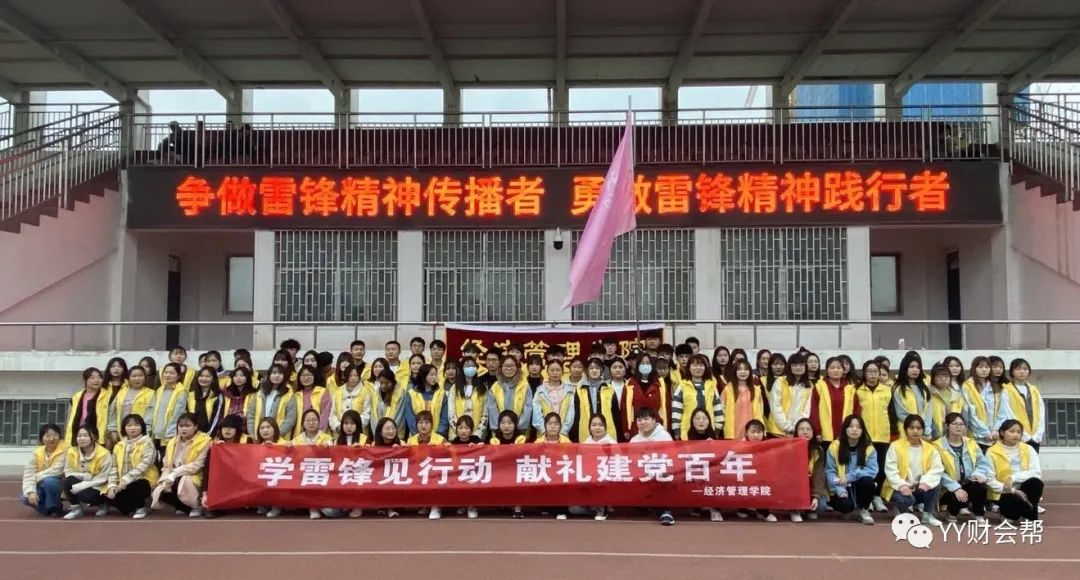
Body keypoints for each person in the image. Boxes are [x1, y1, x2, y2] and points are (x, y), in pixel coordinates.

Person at [884, 414, 944, 527]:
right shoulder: (895, 446)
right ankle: (901, 510)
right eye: (912, 428)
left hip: (919, 487)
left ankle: (928, 515)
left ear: (923, 430)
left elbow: (936, 469)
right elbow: (890, 470)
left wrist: (924, 483)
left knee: (935, 485)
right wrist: (902, 486)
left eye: (919, 428)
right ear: (906, 429)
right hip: (899, 488)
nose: (915, 431)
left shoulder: (930, 449)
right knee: (905, 500)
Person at [933, 412, 991, 523]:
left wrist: (978, 474)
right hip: (947, 487)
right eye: (955, 424)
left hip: (968, 482)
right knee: (956, 495)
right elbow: (938, 471)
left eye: (961, 424)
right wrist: (955, 487)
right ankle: (952, 512)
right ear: (947, 426)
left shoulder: (971, 443)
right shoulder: (937, 446)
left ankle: (978, 513)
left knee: (980, 486)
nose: (958, 427)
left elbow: (982, 463)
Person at [152, 413, 211, 518]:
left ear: (196, 427)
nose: (184, 429)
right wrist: (165, 478)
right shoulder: (172, 442)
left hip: (195, 475)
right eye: (181, 426)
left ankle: (196, 506)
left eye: (188, 426)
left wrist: (176, 473)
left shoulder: (205, 441)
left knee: (185, 480)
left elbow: (198, 464)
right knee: (161, 488)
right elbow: (166, 464)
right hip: (174, 475)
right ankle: (182, 507)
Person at [986, 419, 1044, 524]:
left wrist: (1013, 478)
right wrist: (1012, 490)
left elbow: (1036, 472)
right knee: (1012, 514)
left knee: (1036, 483)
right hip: (1005, 492)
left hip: (1024, 490)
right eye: (1012, 431)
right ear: (1002, 432)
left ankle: (1030, 516)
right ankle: (1012, 513)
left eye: (1019, 432)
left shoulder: (1028, 449)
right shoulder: (992, 451)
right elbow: (989, 479)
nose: (1016, 435)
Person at [854, 359, 893, 512]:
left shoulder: (887, 390)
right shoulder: (857, 390)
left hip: (883, 434)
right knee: (863, 467)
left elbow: (891, 413)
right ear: (864, 373)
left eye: (875, 371)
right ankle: (866, 498)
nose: (872, 374)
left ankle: (877, 496)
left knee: (881, 469)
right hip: (864, 435)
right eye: (869, 371)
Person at [824, 414, 878, 525]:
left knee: (868, 482)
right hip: (840, 485)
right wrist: (838, 489)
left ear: (862, 430)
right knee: (846, 506)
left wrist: (850, 476)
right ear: (845, 429)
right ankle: (849, 509)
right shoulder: (834, 447)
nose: (854, 429)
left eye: (858, 427)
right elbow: (829, 471)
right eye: (851, 426)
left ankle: (864, 510)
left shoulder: (869, 448)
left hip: (858, 484)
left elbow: (872, 470)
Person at [629, 407, 675, 526]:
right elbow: (631, 462)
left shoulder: (664, 436)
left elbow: (672, 459)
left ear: (654, 420)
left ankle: (666, 511)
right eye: (639, 420)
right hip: (642, 475)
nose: (642, 422)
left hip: (661, 474)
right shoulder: (634, 440)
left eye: (646, 419)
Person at [107, 414, 158, 519]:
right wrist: (112, 485)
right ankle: (132, 505)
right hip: (123, 483)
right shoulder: (119, 446)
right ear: (124, 428)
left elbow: (144, 466)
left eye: (136, 425)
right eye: (129, 425)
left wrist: (126, 480)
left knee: (137, 485)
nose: (132, 428)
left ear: (142, 427)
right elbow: (114, 467)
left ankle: (141, 507)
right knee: (112, 497)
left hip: (144, 480)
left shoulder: (148, 443)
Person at [811, 357, 860, 454]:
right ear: (827, 370)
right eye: (832, 368)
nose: (836, 370)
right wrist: (817, 431)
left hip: (846, 433)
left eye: (839, 368)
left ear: (843, 370)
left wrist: (854, 429)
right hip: (824, 434)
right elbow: (814, 410)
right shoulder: (819, 386)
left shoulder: (850, 388)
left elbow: (856, 410)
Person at [62, 425, 113, 519]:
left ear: (94, 437)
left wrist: (84, 484)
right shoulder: (72, 452)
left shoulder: (104, 454)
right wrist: (84, 476)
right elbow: (68, 471)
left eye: (85, 435)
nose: (82, 438)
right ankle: (76, 509)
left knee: (86, 495)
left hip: (98, 485)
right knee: (67, 481)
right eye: (79, 436)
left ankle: (103, 504)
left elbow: (104, 477)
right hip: (81, 481)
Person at [291, 409, 333, 519]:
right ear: (303, 423)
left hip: (322, 471)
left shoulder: (326, 438)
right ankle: (312, 507)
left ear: (319, 422)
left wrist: (325, 447)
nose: (311, 423)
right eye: (308, 420)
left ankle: (316, 506)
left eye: (314, 420)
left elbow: (331, 448)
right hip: (303, 472)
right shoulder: (296, 440)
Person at [671, 354, 724, 441]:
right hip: (687, 431)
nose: (698, 368)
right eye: (695, 365)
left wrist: (717, 429)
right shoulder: (682, 385)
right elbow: (676, 410)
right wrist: (676, 431)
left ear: (705, 368)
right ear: (689, 367)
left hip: (709, 431)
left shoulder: (711, 385)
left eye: (701, 365)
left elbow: (718, 409)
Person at [21, 423, 67, 517]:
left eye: (55, 435)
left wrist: (36, 477)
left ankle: (54, 507)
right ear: (42, 438)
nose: (51, 438)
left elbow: (57, 470)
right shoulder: (37, 453)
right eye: (48, 436)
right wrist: (31, 492)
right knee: (25, 497)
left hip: (61, 483)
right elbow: (29, 473)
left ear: (60, 436)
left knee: (50, 481)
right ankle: (49, 510)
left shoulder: (65, 449)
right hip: (41, 483)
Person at [998, 358, 1045, 451]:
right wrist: (1023, 435)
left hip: (1035, 438)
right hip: (1017, 437)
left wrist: (1038, 434)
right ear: (1012, 372)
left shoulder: (1034, 390)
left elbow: (1041, 413)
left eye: (1025, 369)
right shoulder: (1007, 390)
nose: (1022, 371)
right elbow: (1008, 413)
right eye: (1018, 369)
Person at [572, 357, 621, 442]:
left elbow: (615, 413)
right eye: (591, 368)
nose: (594, 370)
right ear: (587, 371)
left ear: (602, 370)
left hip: (607, 429)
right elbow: (576, 414)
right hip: (586, 430)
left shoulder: (609, 388)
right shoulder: (579, 389)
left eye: (597, 368)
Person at [624, 353, 670, 439]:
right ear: (638, 365)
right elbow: (624, 408)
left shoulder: (660, 383)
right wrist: (626, 429)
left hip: (656, 427)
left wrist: (667, 427)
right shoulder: (629, 383)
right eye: (642, 363)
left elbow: (666, 407)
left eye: (648, 363)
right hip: (636, 428)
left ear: (652, 365)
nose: (645, 365)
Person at [107, 366, 155, 448]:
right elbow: (113, 412)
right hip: (122, 433)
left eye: (140, 376)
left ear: (145, 377)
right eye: (134, 376)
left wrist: (145, 432)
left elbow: (150, 415)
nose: (137, 378)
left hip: (141, 435)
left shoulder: (150, 393)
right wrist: (113, 429)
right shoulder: (122, 392)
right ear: (128, 378)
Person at [721, 360, 769, 440]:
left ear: (750, 372)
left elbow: (761, 411)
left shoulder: (756, 390)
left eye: (746, 369)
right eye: (739, 369)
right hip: (734, 431)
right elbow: (722, 410)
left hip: (753, 432)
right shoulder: (728, 389)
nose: (743, 372)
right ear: (735, 372)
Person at [486, 355, 533, 437]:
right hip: (500, 431)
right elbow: (492, 408)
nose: (509, 368)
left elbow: (528, 408)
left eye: (512, 366)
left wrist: (520, 426)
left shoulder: (524, 385)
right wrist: (499, 427)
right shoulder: (495, 386)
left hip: (520, 430)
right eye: (506, 366)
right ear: (501, 368)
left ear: (517, 367)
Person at [769, 353, 814, 437]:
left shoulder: (809, 385)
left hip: (797, 430)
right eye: (795, 365)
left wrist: (796, 427)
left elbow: (806, 410)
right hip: (778, 430)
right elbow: (775, 406)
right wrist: (787, 427)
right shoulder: (780, 382)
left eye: (801, 365)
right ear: (789, 367)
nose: (798, 367)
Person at [246, 364, 297, 439]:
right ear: (269, 375)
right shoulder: (259, 393)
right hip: (259, 437)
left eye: (280, 373)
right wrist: (253, 435)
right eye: (274, 373)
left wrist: (275, 435)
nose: (277, 375)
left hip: (280, 438)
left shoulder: (289, 394)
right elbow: (251, 416)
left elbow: (290, 419)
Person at [65, 367, 112, 448]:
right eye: (92, 378)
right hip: (78, 435)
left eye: (99, 377)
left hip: (97, 436)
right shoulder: (76, 396)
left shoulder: (107, 396)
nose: (96, 380)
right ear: (85, 380)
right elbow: (69, 419)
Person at [150, 363, 190, 452]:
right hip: (156, 432)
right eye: (166, 372)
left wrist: (170, 433)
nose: (168, 375)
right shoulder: (160, 390)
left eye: (172, 373)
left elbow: (177, 414)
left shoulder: (181, 391)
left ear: (178, 376)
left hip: (170, 434)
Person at [961, 356, 999, 450]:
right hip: (976, 436)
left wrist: (997, 430)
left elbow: (1000, 410)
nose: (984, 370)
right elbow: (970, 413)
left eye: (987, 367)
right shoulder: (967, 386)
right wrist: (984, 432)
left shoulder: (993, 386)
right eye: (980, 367)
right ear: (974, 368)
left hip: (994, 437)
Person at [793, 418, 826, 523]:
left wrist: (816, 496)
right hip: (795, 486)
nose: (805, 432)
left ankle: (809, 510)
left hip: (810, 485)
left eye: (808, 429)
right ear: (796, 432)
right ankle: (794, 511)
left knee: (821, 506)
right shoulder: (790, 448)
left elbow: (819, 474)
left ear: (813, 432)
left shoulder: (818, 451)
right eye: (801, 429)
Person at [448, 357, 488, 441]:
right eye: (467, 366)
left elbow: (485, 414)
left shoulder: (482, 388)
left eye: (472, 365)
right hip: (456, 436)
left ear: (476, 368)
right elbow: (451, 412)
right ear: (462, 369)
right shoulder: (455, 388)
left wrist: (477, 434)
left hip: (477, 435)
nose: (470, 368)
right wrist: (459, 431)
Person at [892, 352, 932, 436]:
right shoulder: (898, 388)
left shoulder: (924, 388)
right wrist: (916, 426)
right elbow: (901, 413)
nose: (915, 370)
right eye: (912, 367)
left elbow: (928, 411)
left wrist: (925, 429)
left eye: (918, 367)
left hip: (924, 432)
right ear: (905, 368)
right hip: (906, 431)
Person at [533, 359, 575, 438]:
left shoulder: (569, 390)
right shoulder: (540, 391)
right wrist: (544, 430)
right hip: (544, 434)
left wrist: (563, 431)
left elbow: (570, 413)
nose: (555, 373)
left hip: (563, 434)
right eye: (552, 370)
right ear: (547, 371)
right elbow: (536, 413)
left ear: (562, 372)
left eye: (558, 370)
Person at [404, 364, 449, 439]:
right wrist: (419, 434)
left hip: (438, 437)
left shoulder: (441, 393)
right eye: (431, 375)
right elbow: (410, 417)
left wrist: (438, 434)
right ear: (423, 375)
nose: (434, 377)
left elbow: (444, 416)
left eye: (435, 375)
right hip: (417, 437)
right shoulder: (411, 394)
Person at [254, 418, 286, 518]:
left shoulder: (284, 443)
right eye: (262, 428)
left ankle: (277, 506)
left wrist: (276, 447)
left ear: (275, 429)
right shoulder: (256, 446)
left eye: (268, 427)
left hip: (279, 475)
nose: (265, 430)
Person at [928, 363, 968, 441]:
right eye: (939, 376)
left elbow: (963, 414)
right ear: (933, 378)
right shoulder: (929, 394)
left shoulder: (957, 395)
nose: (943, 379)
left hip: (955, 435)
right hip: (935, 435)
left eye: (946, 376)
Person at [330, 364, 370, 436]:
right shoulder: (338, 392)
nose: (353, 378)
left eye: (356, 375)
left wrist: (353, 427)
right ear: (346, 376)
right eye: (350, 375)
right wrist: (339, 427)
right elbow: (333, 414)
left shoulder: (365, 391)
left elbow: (366, 414)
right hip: (339, 433)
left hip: (359, 433)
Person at [293, 365, 332, 437]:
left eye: (309, 375)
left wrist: (318, 435)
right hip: (300, 436)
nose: (306, 378)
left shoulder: (322, 392)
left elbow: (325, 414)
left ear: (314, 377)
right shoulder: (296, 395)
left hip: (320, 435)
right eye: (303, 375)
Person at [368, 368, 408, 436]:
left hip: (395, 433)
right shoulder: (375, 394)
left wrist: (389, 430)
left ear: (392, 381)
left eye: (387, 383)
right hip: (379, 434)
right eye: (381, 383)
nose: (383, 386)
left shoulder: (400, 393)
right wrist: (379, 432)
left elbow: (400, 415)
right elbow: (373, 416)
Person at [188, 366, 225, 436]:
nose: (204, 379)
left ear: (213, 379)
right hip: (192, 435)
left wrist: (208, 436)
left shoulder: (217, 396)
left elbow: (216, 419)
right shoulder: (191, 395)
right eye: (201, 376)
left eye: (207, 376)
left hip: (209, 435)